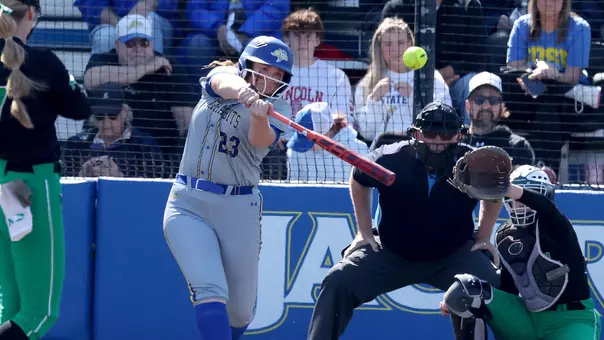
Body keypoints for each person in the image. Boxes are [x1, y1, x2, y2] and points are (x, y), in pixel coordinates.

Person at [306, 101, 502, 340]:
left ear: (459, 135)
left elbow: (495, 192)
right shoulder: (391, 158)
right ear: (416, 134)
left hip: (454, 255)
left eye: (447, 133)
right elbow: (358, 177)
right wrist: (364, 232)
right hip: (391, 253)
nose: (437, 141)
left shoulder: (473, 162)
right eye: (430, 133)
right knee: (338, 280)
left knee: (499, 289)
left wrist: (483, 237)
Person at [162, 35, 293, 340]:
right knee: (210, 289)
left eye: (277, 75)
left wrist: (261, 116)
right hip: (188, 202)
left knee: (240, 312)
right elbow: (223, 84)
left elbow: (261, 142)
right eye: (265, 69)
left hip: (239, 208)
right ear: (247, 65)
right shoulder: (223, 76)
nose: (270, 79)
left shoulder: (280, 106)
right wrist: (247, 96)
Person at [0, 0, 93, 338]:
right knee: (38, 314)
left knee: (10, 306)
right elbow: (81, 107)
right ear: (31, 14)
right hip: (25, 188)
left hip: (3, 184)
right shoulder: (43, 62)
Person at [440, 164, 602, 340]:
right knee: (463, 291)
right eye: (515, 198)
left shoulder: (557, 226)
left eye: (525, 195)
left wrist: (508, 187)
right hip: (529, 319)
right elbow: (508, 290)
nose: (520, 203)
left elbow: (545, 207)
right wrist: (459, 303)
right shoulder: (505, 235)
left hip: (572, 320)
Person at [354, 17, 452, 144]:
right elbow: (367, 133)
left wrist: (415, 96)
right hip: (383, 152)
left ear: (410, 44)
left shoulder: (429, 77)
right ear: (379, 48)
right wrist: (374, 99)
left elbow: (446, 120)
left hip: (423, 147)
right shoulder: (368, 82)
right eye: (388, 44)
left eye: (400, 43)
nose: (395, 49)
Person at [462, 71, 536, 166]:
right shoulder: (456, 142)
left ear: (501, 106)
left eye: (493, 100)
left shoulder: (517, 146)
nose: (486, 106)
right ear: (468, 105)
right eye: (479, 100)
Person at [286, 102, 369, 184]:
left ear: (326, 133)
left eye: (309, 139)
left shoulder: (358, 149)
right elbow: (293, 187)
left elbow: (364, 187)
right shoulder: (295, 151)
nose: (303, 145)